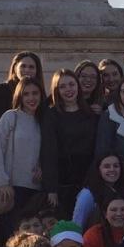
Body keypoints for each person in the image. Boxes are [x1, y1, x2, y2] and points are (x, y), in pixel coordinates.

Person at [0, 77, 45, 243]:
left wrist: (43, 167)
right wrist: (1, 182)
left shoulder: (42, 120)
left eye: (35, 93)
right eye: (26, 94)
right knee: (9, 237)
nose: (31, 98)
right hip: (10, 188)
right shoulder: (11, 117)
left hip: (34, 188)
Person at [41, 69, 99, 218]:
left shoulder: (91, 113)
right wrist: (51, 189)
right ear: (56, 90)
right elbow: (49, 152)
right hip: (63, 181)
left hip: (88, 178)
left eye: (71, 84)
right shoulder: (51, 115)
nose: (68, 90)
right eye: (62, 86)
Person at [0, 51, 44, 130]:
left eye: (31, 67)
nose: (27, 70)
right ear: (15, 68)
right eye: (23, 66)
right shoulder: (0, 92)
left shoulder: (40, 94)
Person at [72, 153, 124, 230]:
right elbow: (77, 225)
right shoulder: (87, 195)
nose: (112, 169)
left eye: (116, 166)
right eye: (107, 166)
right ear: (98, 169)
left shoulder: (123, 191)